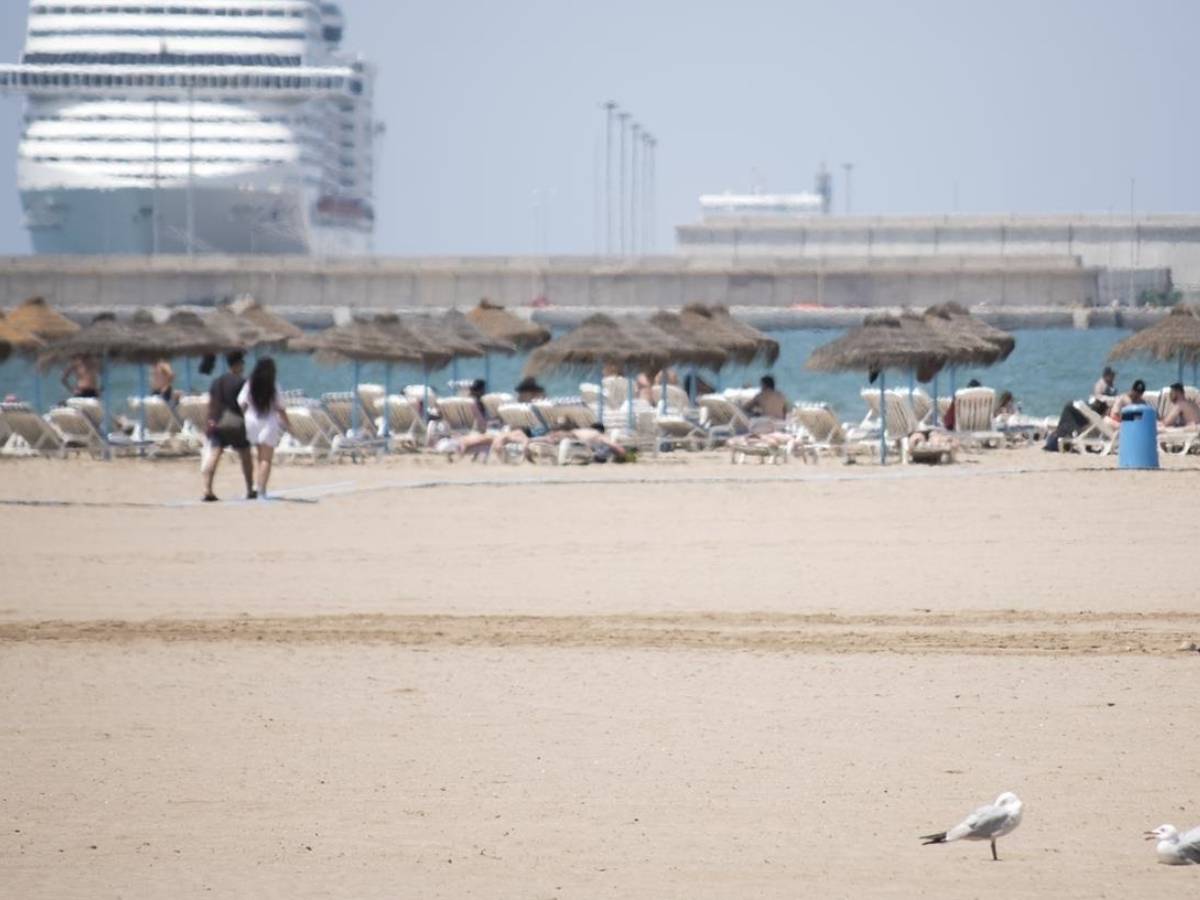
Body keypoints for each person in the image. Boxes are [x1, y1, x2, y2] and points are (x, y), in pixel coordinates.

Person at [201, 350, 255, 502]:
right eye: (242, 363)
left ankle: (207, 489)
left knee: (214, 454)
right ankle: (250, 489)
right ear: (238, 364)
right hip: (234, 422)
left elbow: (211, 403)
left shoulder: (216, 382)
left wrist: (208, 421)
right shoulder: (241, 382)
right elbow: (245, 404)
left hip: (216, 421)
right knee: (245, 453)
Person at [238, 357, 291, 499]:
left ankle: (256, 485)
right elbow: (280, 408)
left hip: (251, 422)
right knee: (266, 459)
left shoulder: (250, 383)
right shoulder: (274, 386)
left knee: (259, 456)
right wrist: (288, 424)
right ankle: (261, 489)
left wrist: (239, 420)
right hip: (268, 423)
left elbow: (241, 403)